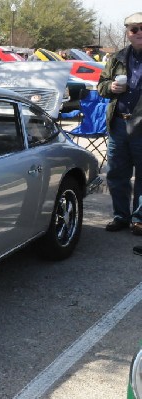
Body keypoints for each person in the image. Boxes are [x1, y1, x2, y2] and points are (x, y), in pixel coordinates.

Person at [97, 12, 142, 240]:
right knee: (116, 174)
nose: (139, 33)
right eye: (134, 29)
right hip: (118, 124)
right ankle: (121, 216)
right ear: (128, 33)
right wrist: (110, 88)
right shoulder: (116, 58)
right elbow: (101, 86)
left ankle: (139, 219)